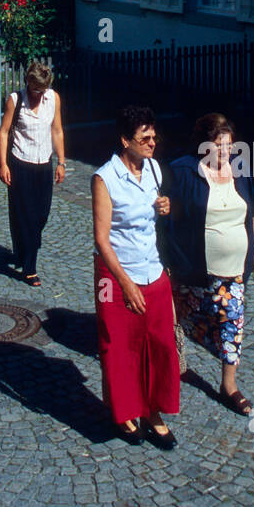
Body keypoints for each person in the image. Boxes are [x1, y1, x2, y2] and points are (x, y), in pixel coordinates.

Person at [92, 104, 180, 448]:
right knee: (118, 347)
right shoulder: (104, 178)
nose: (152, 143)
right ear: (125, 140)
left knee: (159, 345)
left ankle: (153, 413)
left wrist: (164, 206)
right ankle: (124, 412)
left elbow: (154, 211)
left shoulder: (154, 169)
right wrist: (125, 284)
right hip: (114, 275)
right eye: (145, 138)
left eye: (154, 136)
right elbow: (101, 238)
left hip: (153, 269)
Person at [165, 113, 254, 415]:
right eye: (218, 146)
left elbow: (251, 210)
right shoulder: (183, 171)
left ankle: (228, 385)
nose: (225, 152)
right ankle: (175, 362)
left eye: (228, 146)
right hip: (195, 267)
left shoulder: (240, 169)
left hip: (234, 270)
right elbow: (167, 215)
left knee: (232, 322)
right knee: (183, 315)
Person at [0, 61, 65, 287]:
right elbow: (4, 132)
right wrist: (3, 164)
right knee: (26, 215)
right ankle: (30, 268)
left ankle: (23, 250)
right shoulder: (16, 100)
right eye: (36, 89)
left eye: (43, 89)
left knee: (41, 214)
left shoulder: (53, 99)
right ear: (28, 83)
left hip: (43, 162)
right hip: (20, 162)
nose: (39, 94)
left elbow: (57, 130)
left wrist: (61, 161)